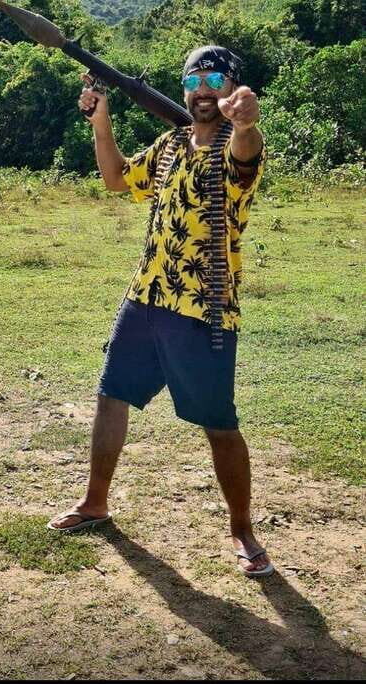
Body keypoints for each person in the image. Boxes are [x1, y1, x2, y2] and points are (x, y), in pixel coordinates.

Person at [48, 46, 274, 578]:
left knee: (218, 423)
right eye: (193, 81)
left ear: (232, 87)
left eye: (215, 80)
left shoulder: (235, 147)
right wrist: (100, 121)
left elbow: (246, 150)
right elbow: (117, 179)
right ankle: (95, 503)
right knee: (112, 395)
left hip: (202, 309)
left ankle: (243, 530)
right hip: (146, 297)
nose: (203, 89)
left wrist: (246, 123)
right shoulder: (170, 143)